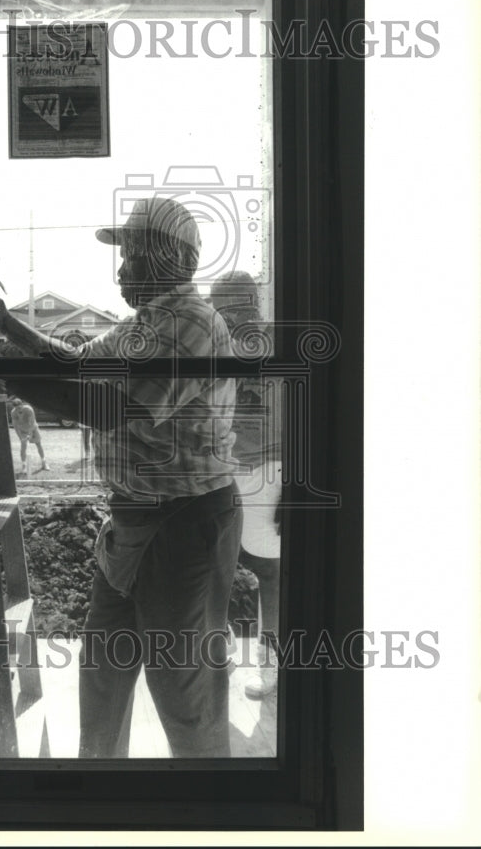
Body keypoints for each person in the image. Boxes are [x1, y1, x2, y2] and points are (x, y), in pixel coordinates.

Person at [0, 196, 241, 757]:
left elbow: (111, 407)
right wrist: (4, 325)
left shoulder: (193, 323)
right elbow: (75, 362)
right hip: (135, 517)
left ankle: (211, 809)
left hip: (187, 524)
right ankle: (100, 793)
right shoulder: (147, 323)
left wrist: (5, 372)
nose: (121, 269)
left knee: (184, 686)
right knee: (104, 668)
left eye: (131, 255)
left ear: (166, 257)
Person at [211, 271, 281, 699]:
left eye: (241, 306)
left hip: (269, 471)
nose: (235, 317)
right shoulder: (208, 344)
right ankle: (218, 652)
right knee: (211, 567)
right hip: (217, 468)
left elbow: (309, 412)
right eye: (224, 308)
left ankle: (269, 664)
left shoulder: (279, 344)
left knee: (271, 573)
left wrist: (299, 483)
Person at [9, 397, 51, 475]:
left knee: (38, 444)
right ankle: (24, 466)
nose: (19, 410)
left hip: (33, 429)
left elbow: (31, 423)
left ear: (22, 404)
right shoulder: (13, 413)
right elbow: (15, 426)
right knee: (23, 447)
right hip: (23, 430)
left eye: (19, 407)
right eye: (16, 408)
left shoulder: (29, 409)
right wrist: (21, 437)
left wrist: (30, 435)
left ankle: (44, 462)